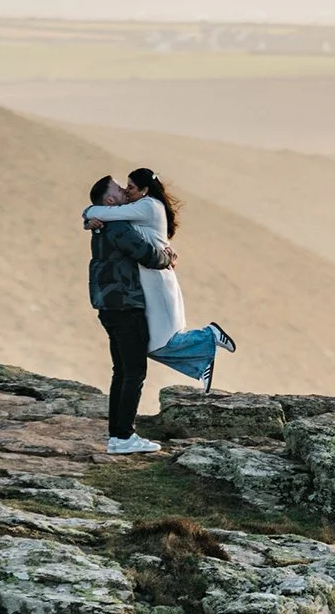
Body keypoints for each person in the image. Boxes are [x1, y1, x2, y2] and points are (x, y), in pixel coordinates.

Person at [83, 166, 238, 404]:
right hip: (147, 283)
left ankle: (209, 336)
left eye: (131, 187)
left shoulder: (147, 206)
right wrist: (90, 220)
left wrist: (90, 215)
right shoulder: (134, 208)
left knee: (155, 343)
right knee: (148, 345)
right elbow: (101, 213)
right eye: (123, 187)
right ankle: (202, 362)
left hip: (158, 281)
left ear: (144, 190)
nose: (127, 190)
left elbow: (99, 211)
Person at [87, 175, 174, 454]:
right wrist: (168, 258)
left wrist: (87, 216)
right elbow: (147, 255)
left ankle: (117, 435)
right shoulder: (119, 227)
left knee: (122, 371)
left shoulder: (101, 226)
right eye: (118, 188)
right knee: (134, 371)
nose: (124, 190)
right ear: (110, 201)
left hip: (107, 305)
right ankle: (123, 437)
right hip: (126, 305)